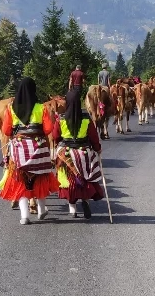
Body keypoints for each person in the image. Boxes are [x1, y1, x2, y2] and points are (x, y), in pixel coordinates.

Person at [0, 77, 59, 225]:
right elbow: (48, 129)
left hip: (19, 149)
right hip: (38, 148)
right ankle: (41, 210)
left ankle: (24, 215)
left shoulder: (11, 108)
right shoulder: (41, 108)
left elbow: (6, 131)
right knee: (40, 177)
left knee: (20, 179)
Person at [52, 89, 104, 219]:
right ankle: (85, 200)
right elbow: (93, 137)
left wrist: (60, 143)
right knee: (85, 177)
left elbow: (55, 137)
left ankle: (72, 208)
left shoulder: (61, 119)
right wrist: (97, 149)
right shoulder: (86, 119)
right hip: (84, 152)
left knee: (69, 181)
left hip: (67, 153)